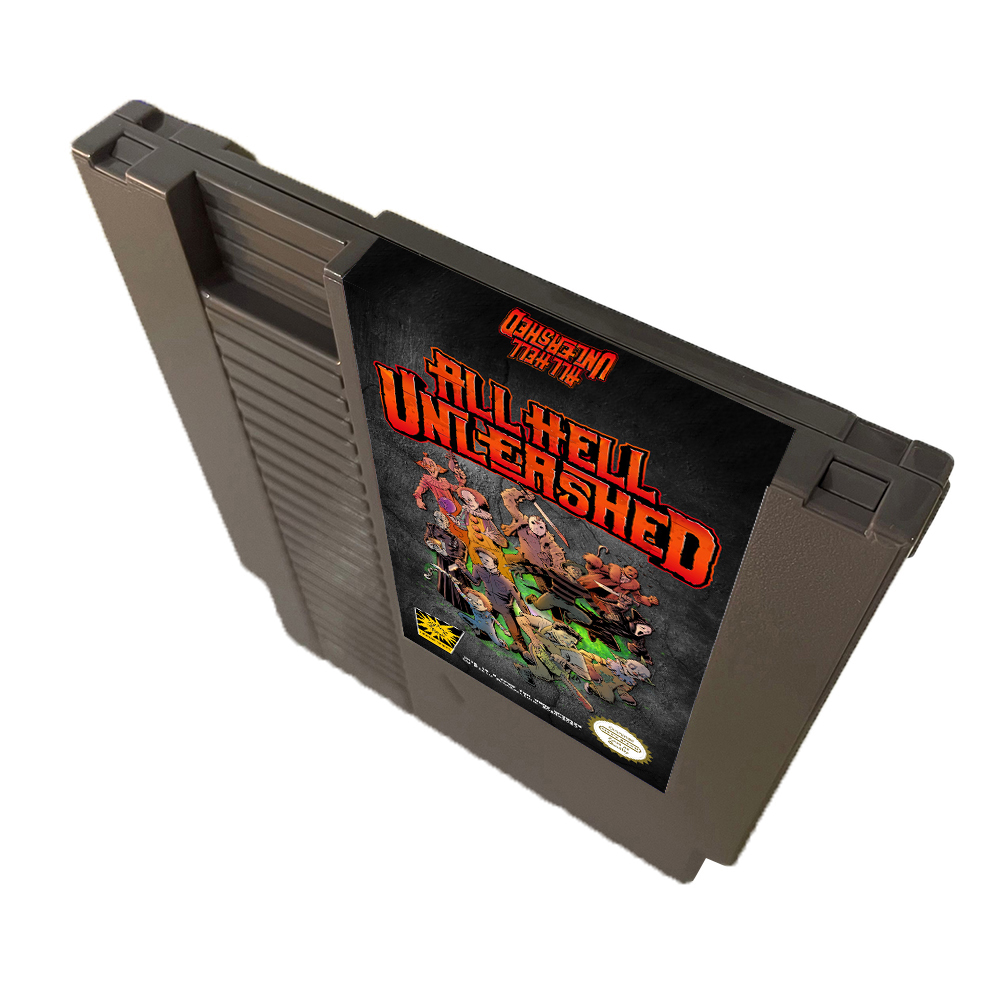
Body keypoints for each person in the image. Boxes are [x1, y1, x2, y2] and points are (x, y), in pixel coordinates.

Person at [467, 549, 538, 662]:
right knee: (483, 621)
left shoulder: (506, 582)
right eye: (481, 558)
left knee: (516, 634)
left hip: (505, 609)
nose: (483, 561)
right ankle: (483, 634)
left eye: (487, 560)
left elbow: (519, 600)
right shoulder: (481, 570)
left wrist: (528, 617)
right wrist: (464, 570)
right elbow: (476, 581)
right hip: (490, 605)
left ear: (494, 562)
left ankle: (525, 653)